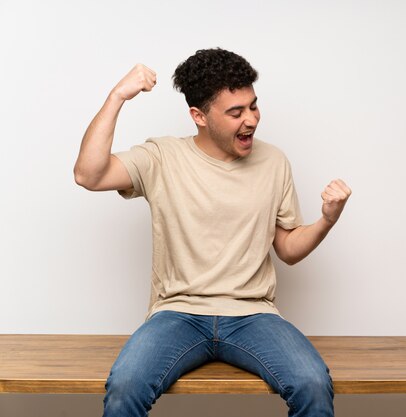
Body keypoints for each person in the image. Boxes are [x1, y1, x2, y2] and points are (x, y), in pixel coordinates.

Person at [73, 48, 351, 417]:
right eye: (235, 113)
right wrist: (117, 96)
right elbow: (88, 175)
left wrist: (326, 220)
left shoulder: (273, 162)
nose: (250, 119)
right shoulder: (161, 158)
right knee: (126, 386)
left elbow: (287, 248)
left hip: (253, 314)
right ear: (199, 116)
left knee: (313, 384)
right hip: (177, 313)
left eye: (253, 106)